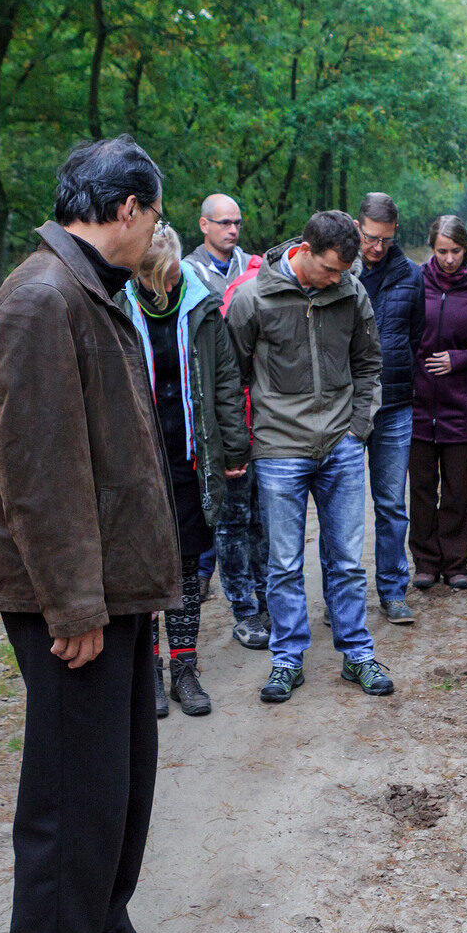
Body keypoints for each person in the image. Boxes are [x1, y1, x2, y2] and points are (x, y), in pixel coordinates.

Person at [0, 136, 181, 933]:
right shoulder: (42, 297)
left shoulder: (92, 288)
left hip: (116, 581)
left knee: (120, 778)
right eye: (158, 215)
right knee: (68, 792)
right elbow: (40, 474)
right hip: (72, 596)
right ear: (125, 208)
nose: (158, 231)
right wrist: (75, 608)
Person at [227, 210, 393, 704]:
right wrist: (246, 441)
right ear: (303, 251)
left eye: (346, 271)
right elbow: (230, 376)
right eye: (330, 269)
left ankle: (357, 653)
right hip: (279, 447)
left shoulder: (351, 292)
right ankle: (287, 660)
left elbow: (369, 363)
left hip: (340, 443)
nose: (339, 279)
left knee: (345, 560)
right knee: (282, 562)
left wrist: (358, 427)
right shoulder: (254, 297)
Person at [119, 225, 249, 717]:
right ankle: (149, 670)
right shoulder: (118, 305)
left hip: (189, 456)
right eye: (164, 277)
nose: (173, 283)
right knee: (147, 570)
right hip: (138, 462)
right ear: (145, 277)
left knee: (188, 569)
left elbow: (225, 380)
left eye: (175, 273)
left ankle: (184, 668)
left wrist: (235, 447)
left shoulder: (201, 304)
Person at [347, 192, 424, 621]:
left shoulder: (411, 275)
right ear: (358, 227)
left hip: (395, 405)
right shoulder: (340, 269)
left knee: (392, 504)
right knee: (342, 508)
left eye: (387, 240)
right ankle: (345, 598)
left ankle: (394, 591)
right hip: (346, 407)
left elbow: (416, 335)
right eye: (372, 238)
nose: (378, 247)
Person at [410, 215, 467, 590]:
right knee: (422, 487)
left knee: (458, 488)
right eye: (442, 251)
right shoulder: (414, 282)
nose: (448, 259)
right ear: (432, 249)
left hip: (460, 403)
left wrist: (459, 358)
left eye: (455, 251)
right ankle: (426, 562)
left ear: (466, 249)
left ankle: (456, 562)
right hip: (416, 402)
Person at [184, 192, 262, 602]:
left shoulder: (255, 269)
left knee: (253, 514)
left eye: (237, 223)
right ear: (203, 225)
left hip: (252, 402)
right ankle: (202, 571)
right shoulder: (185, 273)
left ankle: (256, 592)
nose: (232, 230)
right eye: (223, 223)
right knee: (214, 502)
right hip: (207, 403)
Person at [216, 254, 271, 651]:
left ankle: (268, 601)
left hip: (269, 431)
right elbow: (225, 378)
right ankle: (244, 608)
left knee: (264, 522)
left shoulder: (280, 290)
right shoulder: (241, 296)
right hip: (234, 430)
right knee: (235, 520)